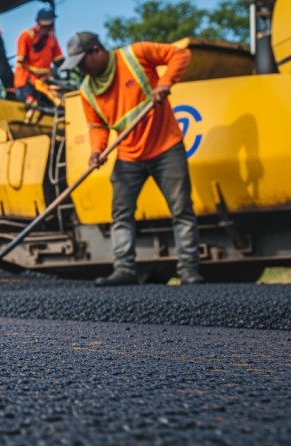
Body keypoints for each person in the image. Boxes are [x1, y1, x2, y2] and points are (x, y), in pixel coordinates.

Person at [60, 32, 205, 286]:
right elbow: (97, 126)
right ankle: (124, 269)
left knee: (181, 209)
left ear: (97, 51)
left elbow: (180, 54)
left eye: (83, 62)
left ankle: (189, 270)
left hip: (166, 147)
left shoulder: (135, 55)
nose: (82, 69)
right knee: (121, 213)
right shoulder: (87, 91)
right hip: (128, 156)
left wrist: (165, 83)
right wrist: (97, 150)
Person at [14, 7, 65, 108]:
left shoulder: (52, 39)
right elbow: (21, 62)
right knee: (33, 105)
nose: (46, 29)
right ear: (38, 22)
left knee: (58, 101)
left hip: (44, 81)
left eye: (49, 26)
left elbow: (59, 60)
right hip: (26, 81)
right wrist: (33, 78)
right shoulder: (26, 36)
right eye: (44, 26)